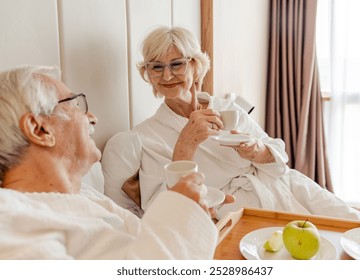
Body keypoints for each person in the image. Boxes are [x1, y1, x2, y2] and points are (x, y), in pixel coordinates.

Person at [102, 26, 360, 222]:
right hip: (236, 210)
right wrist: (185, 145)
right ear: (147, 75)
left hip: (285, 187)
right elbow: (161, 208)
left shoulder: (227, 109)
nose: (167, 75)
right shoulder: (144, 137)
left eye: (177, 64)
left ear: (195, 66)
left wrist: (256, 151)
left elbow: (279, 160)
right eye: (156, 67)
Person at [0, 65, 219, 259]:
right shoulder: (10, 223)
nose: (92, 117)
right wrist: (177, 213)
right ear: (40, 129)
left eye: (178, 64)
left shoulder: (84, 196)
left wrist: (190, 217)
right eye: (75, 105)